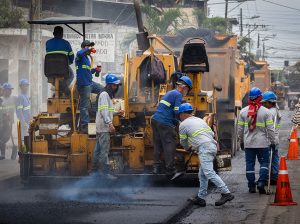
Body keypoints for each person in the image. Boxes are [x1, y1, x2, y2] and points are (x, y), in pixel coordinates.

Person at [178, 103, 234, 207]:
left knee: (209, 172)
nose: (179, 117)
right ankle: (201, 198)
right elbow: (212, 134)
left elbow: (183, 141)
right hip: (211, 146)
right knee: (202, 174)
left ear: (182, 114)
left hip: (205, 148)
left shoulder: (183, 124)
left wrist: (188, 148)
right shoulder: (200, 120)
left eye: (179, 115)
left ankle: (226, 193)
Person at [151, 75, 192, 175]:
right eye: (187, 90)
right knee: (170, 144)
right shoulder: (178, 94)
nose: (186, 93)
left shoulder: (170, 92)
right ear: (184, 87)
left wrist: (175, 121)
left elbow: (169, 110)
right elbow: (177, 110)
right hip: (165, 122)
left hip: (155, 120)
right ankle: (170, 169)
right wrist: (182, 122)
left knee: (158, 144)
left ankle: (156, 167)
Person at [238, 87, 276, 194]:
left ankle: (251, 186)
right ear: (260, 97)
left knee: (250, 164)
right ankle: (261, 183)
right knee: (264, 162)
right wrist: (273, 142)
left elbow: (240, 129)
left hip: (248, 143)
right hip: (262, 143)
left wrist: (241, 141)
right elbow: (270, 129)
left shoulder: (243, 112)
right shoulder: (266, 112)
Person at [91, 74, 122, 179]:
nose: (116, 87)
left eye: (116, 85)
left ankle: (94, 172)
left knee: (97, 150)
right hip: (104, 127)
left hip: (101, 126)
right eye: (114, 85)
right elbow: (104, 112)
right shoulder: (104, 94)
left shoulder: (106, 94)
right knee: (104, 151)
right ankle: (105, 173)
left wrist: (117, 113)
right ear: (110, 85)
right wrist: (110, 124)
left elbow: (108, 111)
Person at [76, 40, 103, 133]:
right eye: (88, 47)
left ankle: (95, 108)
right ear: (84, 47)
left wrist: (95, 69)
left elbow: (87, 71)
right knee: (85, 106)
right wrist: (87, 48)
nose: (90, 50)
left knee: (103, 90)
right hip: (84, 84)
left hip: (90, 82)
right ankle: (84, 127)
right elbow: (79, 52)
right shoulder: (79, 56)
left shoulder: (87, 59)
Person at [46, 26, 74, 95]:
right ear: (62, 34)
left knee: (53, 78)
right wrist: (67, 63)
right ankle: (63, 88)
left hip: (50, 69)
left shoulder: (48, 43)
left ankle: (59, 89)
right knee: (71, 75)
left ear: (53, 33)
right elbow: (71, 57)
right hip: (63, 69)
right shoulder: (66, 43)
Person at [261, 91, 281, 185]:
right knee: (275, 159)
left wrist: (271, 140)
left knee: (267, 160)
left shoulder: (270, 112)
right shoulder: (276, 110)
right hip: (275, 139)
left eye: (265, 103)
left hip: (270, 139)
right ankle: (274, 177)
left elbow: (269, 128)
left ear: (270, 102)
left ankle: (266, 178)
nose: (263, 104)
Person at [0, 83, 17, 160]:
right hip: (2, 121)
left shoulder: (14, 98)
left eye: (11, 90)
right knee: (2, 138)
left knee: (5, 137)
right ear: (4, 91)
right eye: (8, 90)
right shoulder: (1, 99)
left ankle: (3, 152)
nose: (10, 91)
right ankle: (2, 154)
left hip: (9, 121)